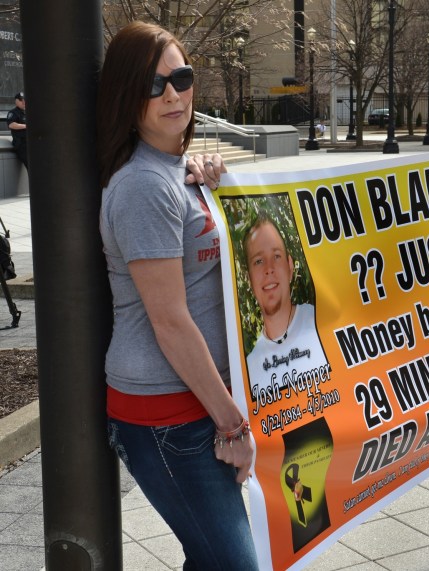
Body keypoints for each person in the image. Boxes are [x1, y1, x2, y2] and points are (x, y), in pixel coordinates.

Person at [97, 21, 258, 570]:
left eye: (181, 78)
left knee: (216, 556)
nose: (172, 94)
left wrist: (217, 182)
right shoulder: (143, 185)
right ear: (125, 93)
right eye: (152, 84)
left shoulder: (174, 172)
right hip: (166, 410)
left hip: (197, 400)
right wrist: (232, 423)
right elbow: (169, 320)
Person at [242, 212, 329, 400]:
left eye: (276, 256)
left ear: (290, 266)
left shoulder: (323, 322)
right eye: (258, 261)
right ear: (249, 280)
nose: (269, 268)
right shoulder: (249, 369)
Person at [7, 92, 27, 169]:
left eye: (25, 100)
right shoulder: (13, 113)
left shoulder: (28, 112)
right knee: (32, 166)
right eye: (21, 100)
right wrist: (26, 126)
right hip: (22, 145)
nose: (24, 102)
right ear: (16, 101)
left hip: (31, 144)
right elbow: (11, 125)